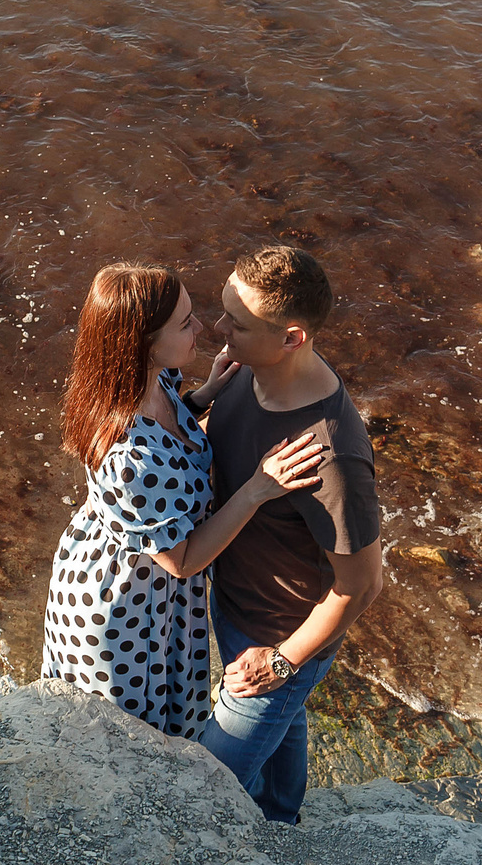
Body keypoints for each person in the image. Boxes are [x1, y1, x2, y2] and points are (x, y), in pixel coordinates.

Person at [41, 263, 333, 737]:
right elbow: (184, 560)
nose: (203, 327)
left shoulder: (146, 381)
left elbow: (171, 439)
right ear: (144, 343)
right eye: (185, 323)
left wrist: (205, 394)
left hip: (149, 587)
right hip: (126, 607)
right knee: (133, 739)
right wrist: (259, 487)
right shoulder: (129, 458)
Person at [196, 245, 382, 823]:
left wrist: (282, 662)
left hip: (280, 636)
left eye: (237, 323)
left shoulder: (331, 456)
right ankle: (279, 819)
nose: (216, 329)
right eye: (223, 310)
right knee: (284, 734)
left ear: (292, 338)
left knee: (201, 788)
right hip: (233, 605)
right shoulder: (241, 372)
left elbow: (361, 585)